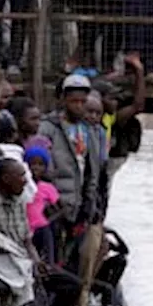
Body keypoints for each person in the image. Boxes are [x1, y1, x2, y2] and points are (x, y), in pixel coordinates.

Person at [38, 75, 105, 252]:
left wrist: (91, 201)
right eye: (74, 101)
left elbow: (93, 170)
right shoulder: (49, 127)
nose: (79, 106)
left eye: (83, 101)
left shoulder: (90, 130)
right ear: (63, 99)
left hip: (81, 204)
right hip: (55, 204)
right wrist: (50, 199)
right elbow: (43, 167)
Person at [23, 145, 59, 265]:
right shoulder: (21, 185)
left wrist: (48, 220)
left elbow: (59, 208)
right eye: (32, 164)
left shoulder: (47, 187)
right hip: (25, 230)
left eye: (40, 164)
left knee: (47, 261)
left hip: (42, 230)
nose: (36, 168)